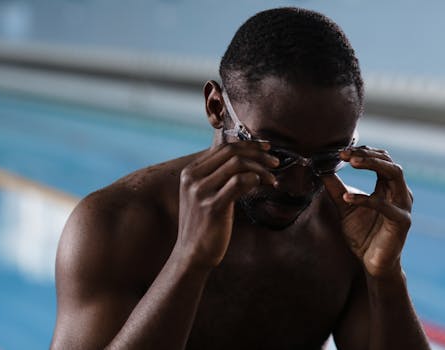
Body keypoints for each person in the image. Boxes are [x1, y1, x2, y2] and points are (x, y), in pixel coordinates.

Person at [51, 7, 430, 350]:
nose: (298, 185)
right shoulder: (117, 225)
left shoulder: (346, 233)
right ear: (216, 108)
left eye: (327, 159)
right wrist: (189, 260)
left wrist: (386, 275)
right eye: (275, 153)